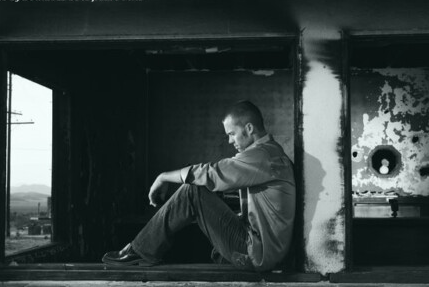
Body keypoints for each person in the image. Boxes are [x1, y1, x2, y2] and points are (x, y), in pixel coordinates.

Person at [102, 100, 296, 272]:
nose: (230, 141)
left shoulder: (263, 156)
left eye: (232, 134)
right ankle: (148, 251)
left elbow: (213, 173)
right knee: (208, 190)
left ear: (249, 129)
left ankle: (139, 251)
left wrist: (162, 177)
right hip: (263, 251)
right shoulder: (270, 153)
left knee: (192, 190)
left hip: (258, 255)